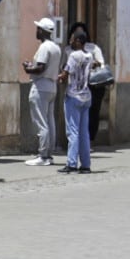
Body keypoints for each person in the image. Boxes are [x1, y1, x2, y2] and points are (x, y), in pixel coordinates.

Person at [24, 17, 63, 166]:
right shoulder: (56, 47)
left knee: (41, 121)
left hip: (41, 85)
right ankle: (49, 153)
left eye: (38, 28)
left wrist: (27, 68)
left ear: (42, 31)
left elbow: (40, 68)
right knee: (49, 121)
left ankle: (43, 155)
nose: (36, 31)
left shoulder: (45, 47)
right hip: (52, 86)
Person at [59, 27, 95, 174]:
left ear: (78, 41)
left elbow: (65, 74)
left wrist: (59, 77)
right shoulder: (89, 56)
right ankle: (86, 164)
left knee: (72, 131)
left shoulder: (73, 56)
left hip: (73, 95)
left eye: (73, 39)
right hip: (86, 96)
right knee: (84, 132)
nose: (70, 41)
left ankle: (71, 163)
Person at [71, 21, 110, 144]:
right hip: (74, 86)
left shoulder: (93, 48)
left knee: (93, 112)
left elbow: (101, 63)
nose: (79, 35)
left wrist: (89, 63)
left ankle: (89, 139)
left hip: (92, 85)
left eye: (81, 32)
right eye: (76, 32)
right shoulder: (68, 49)